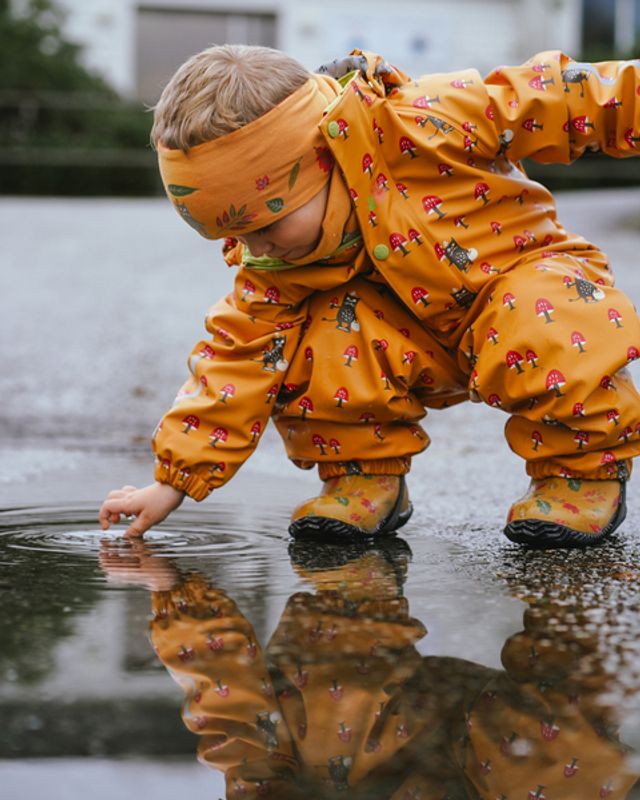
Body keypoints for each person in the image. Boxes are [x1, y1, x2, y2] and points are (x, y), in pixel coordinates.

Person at [99, 44, 640, 546]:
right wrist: (172, 482)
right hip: (407, 340)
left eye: (268, 225)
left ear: (324, 161)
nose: (255, 249)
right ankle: (364, 477)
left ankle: (581, 474)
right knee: (317, 333)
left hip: (516, 286)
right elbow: (233, 364)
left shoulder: (428, 117)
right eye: (234, 237)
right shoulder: (274, 265)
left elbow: (565, 98)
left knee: (546, 313)